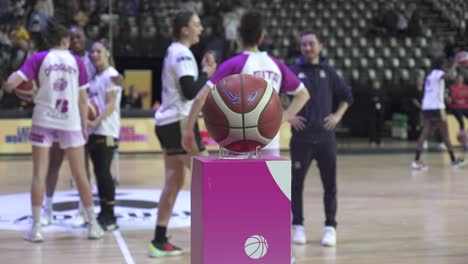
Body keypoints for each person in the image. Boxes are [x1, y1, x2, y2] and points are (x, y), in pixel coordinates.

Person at [2, 18, 103, 242]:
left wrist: (30, 92)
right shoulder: (77, 61)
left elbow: (10, 83)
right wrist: (85, 126)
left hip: (44, 119)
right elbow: (83, 99)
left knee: (39, 175)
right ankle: (93, 226)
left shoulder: (38, 58)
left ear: (49, 40)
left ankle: (37, 228)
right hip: (70, 121)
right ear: (66, 40)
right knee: (80, 175)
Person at [181, 11, 310, 157]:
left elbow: (199, 98)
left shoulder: (234, 64)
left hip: (238, 141)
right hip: (269, 141)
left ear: (239, 35)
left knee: (238, 181)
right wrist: (281, 119)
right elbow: (303, 94)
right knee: (268, 180)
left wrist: (188, 129)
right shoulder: (276, 65)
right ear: (261, 37)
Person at [148, 10, 217, 258]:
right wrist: (209, 74)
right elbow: (190, 91)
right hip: (179, 122)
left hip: (166, 123)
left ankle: (158, 239)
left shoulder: (174, 51)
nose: (201, 29)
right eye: (197, 24)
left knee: (174, 181)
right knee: (208, 179)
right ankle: (216, 238)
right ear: (185, 29)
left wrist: (201, 72)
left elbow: (185, 86)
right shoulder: (182, 52)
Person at [288, 32, 353, 247]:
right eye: (304, 45)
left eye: (311, 44)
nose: (308, 48)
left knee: (329, 185)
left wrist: (337, 116)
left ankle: (330, 227)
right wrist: (289, 115)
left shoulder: (329, 71)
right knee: (296, 185)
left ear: (320, 46)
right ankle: (297, 227)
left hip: (326, 139)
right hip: (301, 139)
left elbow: (347, 96)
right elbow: (274, 94)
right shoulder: (294, 71)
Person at [41, 25, 96, 227]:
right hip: (59, 117)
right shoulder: (59, 59)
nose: (75, 41)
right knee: (53, 164)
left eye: (78, 37)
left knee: (83, 169)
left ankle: (83, 210)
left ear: (85, 38)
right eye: (71, 38)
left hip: (81, 119)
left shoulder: (93, 58)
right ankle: (47, 209)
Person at [87, 40, 122, 231]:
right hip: (94, 130)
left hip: (106, 130)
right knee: (99, 174)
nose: (94, 55)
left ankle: (111, 216)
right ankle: (103, 212)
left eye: (98, 51)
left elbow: (111, 105)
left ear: (107, 53)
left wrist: (95, 121)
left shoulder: (112, 76)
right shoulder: (95, 77)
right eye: (92, 52)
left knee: (104, 173)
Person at [411, 57, 466, 170]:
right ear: (441, 65)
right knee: (445, 135)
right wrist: (455, 64)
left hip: (427, 107)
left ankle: (416, 161)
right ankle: (453, 161)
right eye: (445, 64)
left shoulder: (429, 75)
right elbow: (449, 76)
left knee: (425, 132)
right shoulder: (438, 73)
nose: (446, 66)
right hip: (436, 107)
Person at [368, 79, 385, 146]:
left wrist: (379, 100)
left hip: (380, 111)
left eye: (377, 84)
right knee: (372, 126)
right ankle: (372, 140)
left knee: (379, 126)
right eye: (375, 84)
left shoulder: (382, 92)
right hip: (372, 111)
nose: (376, 85)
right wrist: (374, 100)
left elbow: (384, 100)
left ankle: (379, 140)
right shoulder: (370, 92)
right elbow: (369, 100)